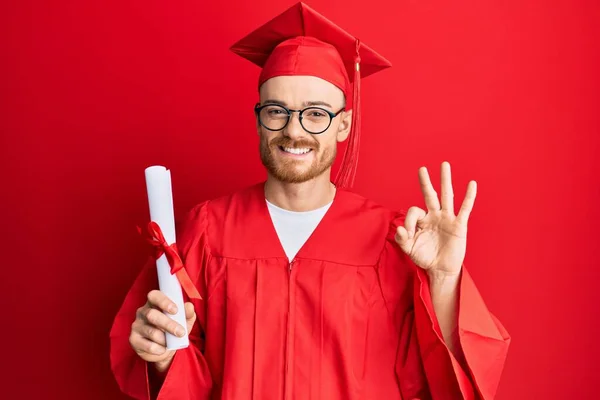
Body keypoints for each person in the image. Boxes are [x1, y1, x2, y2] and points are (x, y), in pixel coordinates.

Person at [110, 2, 510, 399]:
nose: (293, 130)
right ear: (258, 119)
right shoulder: (208, 229)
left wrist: (444, 279)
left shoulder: (395, 241)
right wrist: (162, 354)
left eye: (316, 114)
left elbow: (438, 384)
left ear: (343, 125)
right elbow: (181, 368)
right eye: (277, 111)